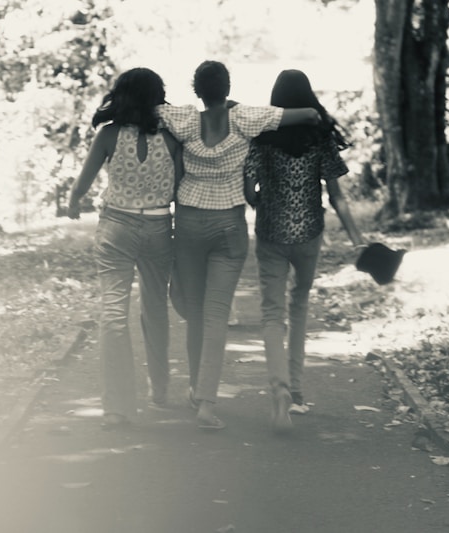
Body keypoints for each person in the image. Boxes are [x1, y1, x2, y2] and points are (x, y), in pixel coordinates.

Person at [156, 60, 320, 430]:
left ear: (197, 90)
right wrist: (238, 108)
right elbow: (308, 115)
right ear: (227, 88)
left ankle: (195, 388)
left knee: (195, 312)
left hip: (189, 221)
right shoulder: (245, 117)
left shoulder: (184, 118)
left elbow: (151, 110)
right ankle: (206, 405)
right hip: (228, 224)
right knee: (216, 314)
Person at [243, 69, 365, 434]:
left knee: (271, 313)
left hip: (271, 233)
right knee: (299, 306)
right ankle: (296, 390)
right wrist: (357, 239)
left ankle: (279, 388)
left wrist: (262, 201)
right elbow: (337, 196)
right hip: (309, 233)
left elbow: (249, 189)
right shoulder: (319, 136)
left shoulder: (263, 136)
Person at [67, 67, 183, 428]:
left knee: (114, 315)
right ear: (157, 97)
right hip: (158, 227)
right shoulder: (172, 138)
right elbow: (180, 188)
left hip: (117, 226)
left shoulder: (109, 134)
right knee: (155, 309)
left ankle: (117, 408)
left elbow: (82, 183)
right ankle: (159, 389)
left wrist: (73, 203)